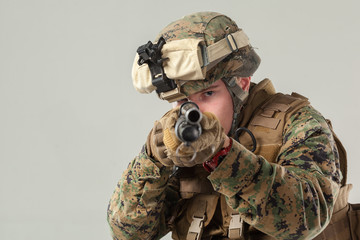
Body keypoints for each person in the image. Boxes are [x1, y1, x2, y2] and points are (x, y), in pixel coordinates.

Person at [107, 11, 356, 240]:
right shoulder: (178, 139)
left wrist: (224, 157)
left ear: (242, 83)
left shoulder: (297, 122)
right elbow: (129, 234)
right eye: (182, 101)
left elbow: (309, 218)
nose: (194, 111)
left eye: (208, 94)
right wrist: (152, 161)